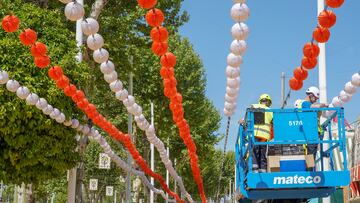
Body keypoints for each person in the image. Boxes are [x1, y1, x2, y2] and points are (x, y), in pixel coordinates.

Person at [295, 86, 328, 159]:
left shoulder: (306, 104)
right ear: (311, 95)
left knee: (311, 156)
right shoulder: (305, 103)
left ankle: (310, 168)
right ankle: (309, 169)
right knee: (310, 157)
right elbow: (314, 107)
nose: (316, 100)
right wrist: (324, 104)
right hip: (310, 133)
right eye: (315, 98)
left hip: (311, 133)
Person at [250, 94, 273, 172]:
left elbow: (247, 118)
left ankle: (255, 169)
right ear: (269, 102)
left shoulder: (254, 106)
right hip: (264, 136)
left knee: (254, 151)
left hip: (255, 134)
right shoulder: (270, 111)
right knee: (263, 153)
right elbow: (274, 122)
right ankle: (263, 170)